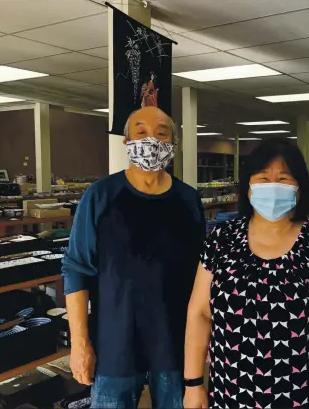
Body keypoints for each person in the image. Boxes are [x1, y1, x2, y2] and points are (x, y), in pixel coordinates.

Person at [184, 138, 309, 409]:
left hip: (300, 394)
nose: (272, 186)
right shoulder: (222, 239)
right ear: (248, 188)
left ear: (299, 188)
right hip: (229, 392)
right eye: (262, 178)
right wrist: (193, 385)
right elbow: (200, 313)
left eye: (284, 178)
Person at [62, 106, 205, 409]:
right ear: (127, 143)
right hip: (115, 345)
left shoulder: (188, 199)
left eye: (161, 133)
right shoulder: (101, 195)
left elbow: (201, 275)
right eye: (141, 132)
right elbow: (76, 269)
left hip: (175, 347)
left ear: (173, 145)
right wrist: (79, 343)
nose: (151, 140)